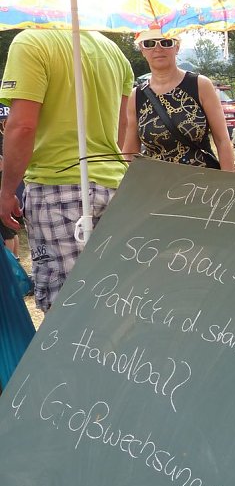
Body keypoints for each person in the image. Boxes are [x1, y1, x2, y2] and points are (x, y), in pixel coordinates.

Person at [0, 29, 134, 312]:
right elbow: (122, 126)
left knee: (67, 311)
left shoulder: (31, 41)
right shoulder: (113, 50)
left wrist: (6, 189)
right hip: (115, 186)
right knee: (116, 299)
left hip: (56, 187)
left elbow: (22, 125)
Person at [123, 28, 235, 172]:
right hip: (156, 186)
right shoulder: (136, 95)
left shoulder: (200, 85)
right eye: (149, 43)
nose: (158, 49)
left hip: (201, 184)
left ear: (177, 47)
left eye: (166, 42)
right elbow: (130, 152)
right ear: (142, 50)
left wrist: (228, 182)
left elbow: (222, 140)